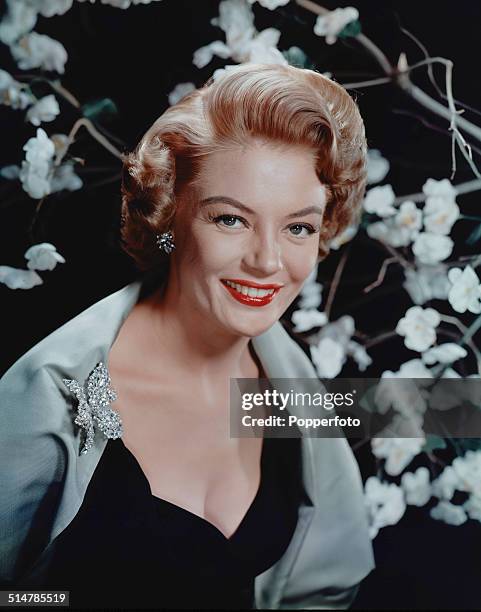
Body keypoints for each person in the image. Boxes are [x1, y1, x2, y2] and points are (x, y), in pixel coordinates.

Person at [0, 63, 374, 609]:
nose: (268, 261)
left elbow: (325, 587)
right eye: (231, 219)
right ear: (172, 217)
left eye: (298, 227)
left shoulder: (293, 393)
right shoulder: (51, 393)